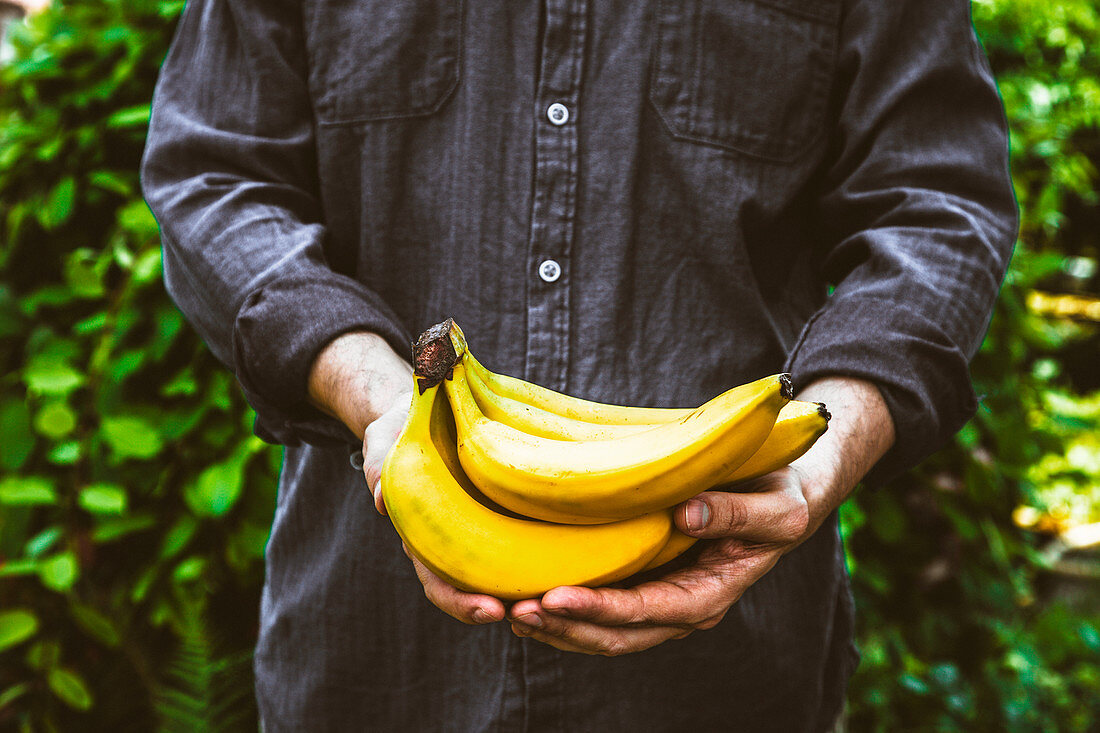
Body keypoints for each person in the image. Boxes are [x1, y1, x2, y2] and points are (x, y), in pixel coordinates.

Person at [141, 0, 1017, 729]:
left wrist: (824, 449)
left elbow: (938, 206)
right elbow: (213, 171)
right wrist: (372, 388)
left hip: (726, 681)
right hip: (369, 659)